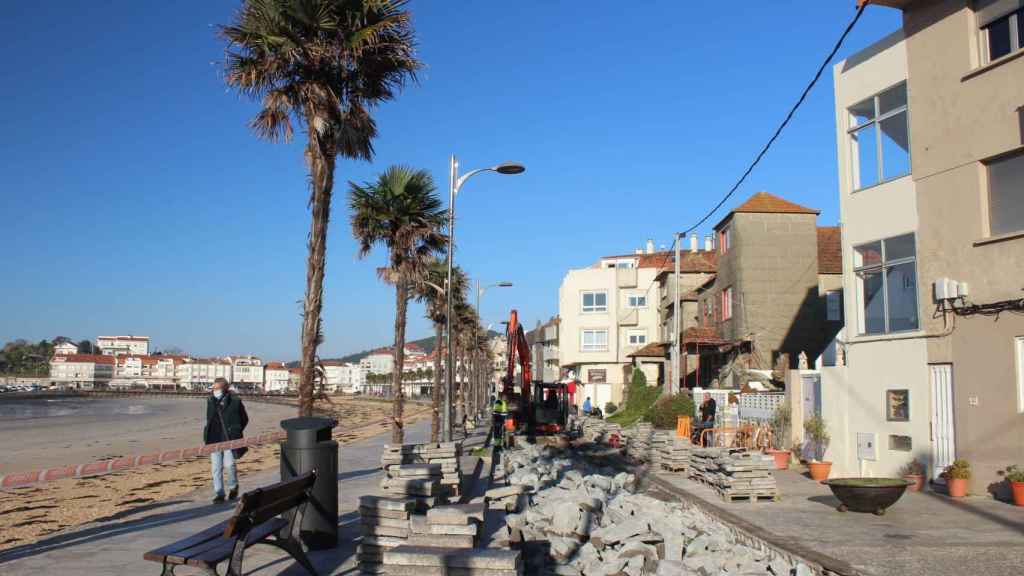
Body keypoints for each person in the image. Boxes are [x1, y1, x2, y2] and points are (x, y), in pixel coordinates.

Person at [204, 378, 248, 503]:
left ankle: (233, 487)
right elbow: (209, 418)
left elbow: (244, 418)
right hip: (213, 439)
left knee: (229, 465)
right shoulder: (210, 400)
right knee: (216, 468)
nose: (214, 391)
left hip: (229, 439)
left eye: (217, 388)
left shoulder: (235, 401)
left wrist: (235, 430)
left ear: (225, 389)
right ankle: (219, 494)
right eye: (214, 388)